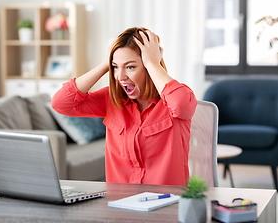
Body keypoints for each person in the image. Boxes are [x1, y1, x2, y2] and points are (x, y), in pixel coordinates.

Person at [51, 27, 197, 186]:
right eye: (115, 67)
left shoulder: (176, 98)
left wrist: (152, 62)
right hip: (120, 202)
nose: (120, 77)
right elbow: (60, 103)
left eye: (130, 67)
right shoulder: (111, 99)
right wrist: (105, 64)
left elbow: (181, 105)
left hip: (166, 202)